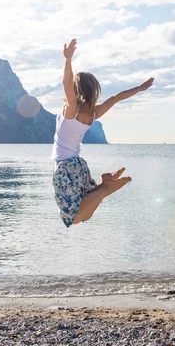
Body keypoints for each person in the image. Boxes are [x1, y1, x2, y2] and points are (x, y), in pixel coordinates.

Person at [51, 38, 154, 227]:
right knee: (86, 215)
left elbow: (66, 83)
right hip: (79, 165)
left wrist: (67, 61)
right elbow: (116, 98)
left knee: (72, 217)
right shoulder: (93, 114)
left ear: (75, 91)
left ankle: (106, 187)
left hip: (65, 166)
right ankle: (104, 185)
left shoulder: (72, 109)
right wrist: (139, 89)